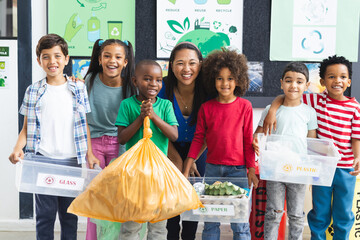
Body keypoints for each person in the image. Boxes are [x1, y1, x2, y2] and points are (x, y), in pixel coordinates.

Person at [8, 33, 99, 240]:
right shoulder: (33, 91)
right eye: (46, 56)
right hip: (42, 160)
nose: (52, 61)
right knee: (45, 216)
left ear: (66, 59)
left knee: (69, 217)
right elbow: (26, 128)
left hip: (71, 163)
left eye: (57, 56)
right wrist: (17, 148)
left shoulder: (78, 88)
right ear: (39, 61)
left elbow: (84, 123)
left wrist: (90, 154)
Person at [262, 55, 360, 240]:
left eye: (342, 77)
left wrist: (357, 157)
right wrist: (273, 110)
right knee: (319, 212)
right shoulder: (314, 101)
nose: (337, 81)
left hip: (346, 169)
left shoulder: (354, 107)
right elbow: (286, 96)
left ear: (348, 81)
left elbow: (356, 137)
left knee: (343, 214)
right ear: (322, 81)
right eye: (331, 76)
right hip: (322, 168)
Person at [183, 48, 259, 240]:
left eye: (230, 78)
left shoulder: (245, 107)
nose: (225, 83)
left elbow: (247, 140)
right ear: (212, 79)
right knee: (210, 223)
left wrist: (251, 169)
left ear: (239, 80)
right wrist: (186, 167)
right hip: (213, 170)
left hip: (239, 171)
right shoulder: (206, 108)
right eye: (220, 78)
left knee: (240, 224)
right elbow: (199, 138)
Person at [253, 62, 318, 240]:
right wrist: (256, 143)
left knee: (296, 215)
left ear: (306, 86)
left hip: (298, 170)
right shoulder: (270, 110)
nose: (294, 85)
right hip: (275, 170)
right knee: (274, 212)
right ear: (282, 83)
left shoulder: (309, 112)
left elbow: (311, 143)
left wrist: (311, 171)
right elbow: (257, 136)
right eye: (289, 81)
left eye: (299, 82)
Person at [116, 60, 179, 240]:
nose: (153, 84)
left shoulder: (165, 105)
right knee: (131, 227)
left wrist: (153, 117)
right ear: (135, 82)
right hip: (134, 175)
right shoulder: (127, 105)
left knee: (158, 227)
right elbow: (122, 138)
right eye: (147, 79)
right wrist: (141, 117)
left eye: (158, 80)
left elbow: (174, 135)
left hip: (159, 175)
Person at [84, 38, 136, 240]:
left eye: (117, 57)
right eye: (107, 56)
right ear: (99, 59)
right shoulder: (89, 82)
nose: (111, 61)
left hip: (120, 145)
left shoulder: (131, 87)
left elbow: (130, 126)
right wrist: (89, 152)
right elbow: (84, 121)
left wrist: (122, 158)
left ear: (125, 62)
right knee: (94, 198)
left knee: (118, 198)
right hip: (94, 143)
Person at [158, 41, 208, 240]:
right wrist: (179, 161)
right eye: (180, 63)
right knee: (171, 204)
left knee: (191, 202)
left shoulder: (209, 90)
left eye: (192, 63)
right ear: (171, 65)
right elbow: (155, 127)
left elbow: (211, 130)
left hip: (200, 149)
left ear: (201, 65)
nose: (186, 69)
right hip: (168, 147)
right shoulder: (161, 87)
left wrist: (191, 158)